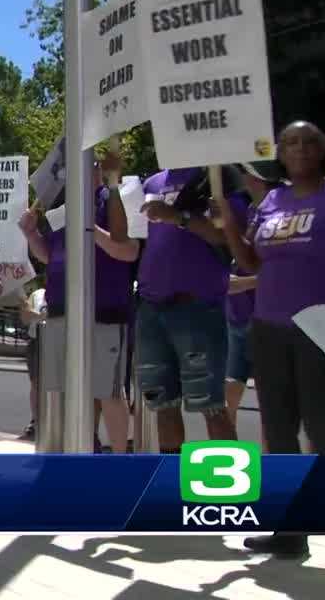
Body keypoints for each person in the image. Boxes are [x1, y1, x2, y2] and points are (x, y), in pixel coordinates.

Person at [216, 120, 325, 568]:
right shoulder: (271, 200)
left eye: (309, 141)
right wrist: (229, 223)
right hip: (269, 325)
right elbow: (250, 258)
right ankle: (291, 533)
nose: (300, 148)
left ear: (323, 148)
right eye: (290, 142)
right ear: (281, 153)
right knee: (279, 429)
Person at [19, 152, 138, 453]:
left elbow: (129, 252)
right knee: (65, 390)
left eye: (87, 167)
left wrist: (89, 229)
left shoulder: (118, 198)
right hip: (61, 310)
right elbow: (50, 256)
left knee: (108, 390)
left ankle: (121, 462)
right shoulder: (61, 207)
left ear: (97, 171)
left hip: (104, 310)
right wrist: (31, 234)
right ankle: (77, 452)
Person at [135, 161, 243, 451]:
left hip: (198, 308)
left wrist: (179, 217)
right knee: (163, 404)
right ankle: (172, 482)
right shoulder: (151, 184)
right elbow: (135, 241)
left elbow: (228, 239)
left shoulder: (220, 177)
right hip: (151, 307)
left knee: (212, 406)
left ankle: (230, 493)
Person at [221, 163, 281, 431]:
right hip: (237, 317)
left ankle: (272, 471)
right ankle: (225, 469)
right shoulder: (252, 210)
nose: (241, 176)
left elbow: (281, 272)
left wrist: (242, 284)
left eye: (246, 171)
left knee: (273, 407)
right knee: (225, 402)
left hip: (265, 320)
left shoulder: (280, 214)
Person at [17, 285, 46, 440]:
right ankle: (36, 421)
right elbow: (25, 316)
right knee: (36, 383)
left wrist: (38, 316)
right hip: (36, 341)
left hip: (56, 340)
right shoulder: (38, 294)